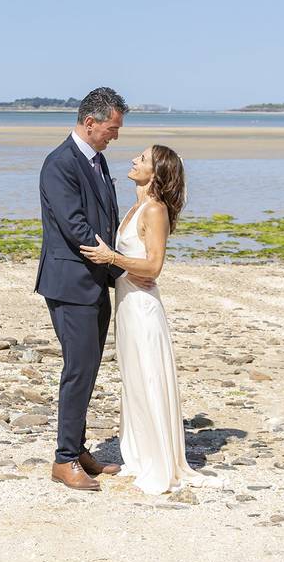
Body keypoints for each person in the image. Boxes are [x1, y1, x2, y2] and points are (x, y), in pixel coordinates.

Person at [80, 145, 226, 494]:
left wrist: (111, 257)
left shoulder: (155, 210)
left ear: (157, 173)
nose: (134, 160)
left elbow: (155, 267)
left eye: (143, 159)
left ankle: (157, 460)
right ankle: (141, 453)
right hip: (127, 302)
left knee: (148, 376)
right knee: (133, 380)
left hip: (143, 306)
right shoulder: (136, 207)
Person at [35, 87, 145, 491]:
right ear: (90, 122)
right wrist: (119, 264)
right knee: (78, 369)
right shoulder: (60, 164)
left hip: (95, 281)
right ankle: (64, 461)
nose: (115, 135)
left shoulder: (97, 161)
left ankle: (77, 448)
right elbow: (75, 225)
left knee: (90, 368)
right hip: (71, 282)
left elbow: (106, 218)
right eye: (112, 129)